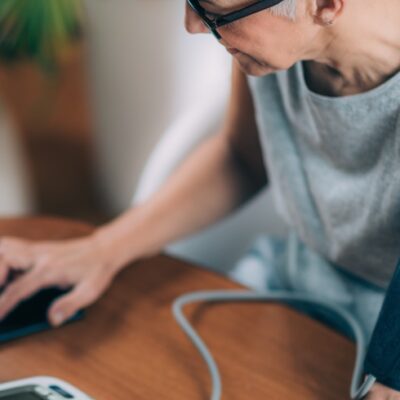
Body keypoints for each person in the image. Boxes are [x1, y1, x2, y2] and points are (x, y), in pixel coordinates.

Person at [0, 0, 399, 397]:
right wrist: (101, 249)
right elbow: (241, 157)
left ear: (326, 5)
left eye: (212, 9)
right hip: (287, 285)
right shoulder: (272, 44)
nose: (192, 25)